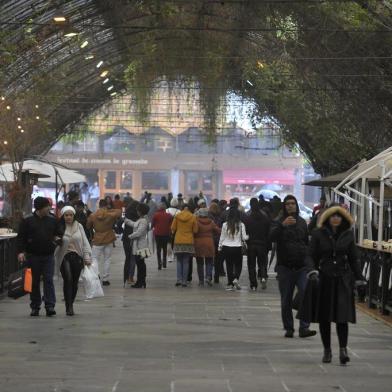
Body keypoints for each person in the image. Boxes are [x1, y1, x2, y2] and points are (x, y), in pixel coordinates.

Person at [300, 206, 365, 365]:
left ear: (343, 219)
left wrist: (359, 278)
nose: (336, 219)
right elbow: (310, 255)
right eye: (333, 216)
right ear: (328, 218)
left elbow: (353, 258)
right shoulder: (318, 234)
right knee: (325, 317)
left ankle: (343, 350)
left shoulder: (348, 235)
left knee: (342, 317)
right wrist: (312, 271)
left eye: (339, 216)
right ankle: (327, 350)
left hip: (343, 279)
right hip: (324, 279)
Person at [269, 194, 317, 338]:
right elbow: (270, 237)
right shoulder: (277, 221)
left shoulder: (302, 222)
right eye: (288, 204)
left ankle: (304, 327)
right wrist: (282, 226)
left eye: (293, 203)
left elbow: (306, 243)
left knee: (304, 294)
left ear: (296, 205)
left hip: (301, 266)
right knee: (286, 300)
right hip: (285, 267)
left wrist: (310, 264)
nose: (290, 206)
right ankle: (289, 328)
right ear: (284, 206)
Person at [16, 197, 63, 317]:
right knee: (34, 282)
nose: (49, 208)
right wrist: (20, 252)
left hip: (48, 255)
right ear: (40, 208)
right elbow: (21, 237)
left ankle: (50, 305)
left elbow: (58, 232)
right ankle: (35, 306)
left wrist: (57, 238)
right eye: (47, 206)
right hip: (33, 256)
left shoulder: (52, 219)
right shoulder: (27, 220)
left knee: (48, 280)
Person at [54, 206, 92, 316]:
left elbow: (85, 242)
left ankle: (71, 303)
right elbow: (52, 238)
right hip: (63, 256)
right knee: (68, 279)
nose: (69, 217)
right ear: (63, 216)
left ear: (73, 216)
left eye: (71, 215)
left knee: (75, 282)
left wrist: (87, 257)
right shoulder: (59, 227)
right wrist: (56, 239)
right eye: (66, 215)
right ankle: (68, 306)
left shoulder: (79, 226)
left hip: (77, 256)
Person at [86, 199, 122, 286]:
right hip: (109, 238)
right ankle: (105, 279)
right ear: (107, 205)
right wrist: (108, 210)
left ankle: (96, 275)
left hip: (97, 238)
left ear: (99, 205)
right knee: (107, 259)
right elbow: (119, 212)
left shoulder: (93, 215)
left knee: (94, 258)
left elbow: (87, 225)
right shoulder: (111, 214)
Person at [218, 206, 248, 291]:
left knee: (229, 265)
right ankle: (236, 278)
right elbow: (244, 237)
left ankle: (230, 283)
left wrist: (219, 246)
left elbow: (222, 237)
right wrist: (248, 237)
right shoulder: (241, 224)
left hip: (226, 247)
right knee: (238, 265)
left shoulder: (225, 224)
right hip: (237, 247)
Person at [246, 198, 271, 291]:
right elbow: (268, 232)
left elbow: (246, 232)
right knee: (262, 263)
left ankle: (253, 285)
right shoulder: (265, 217)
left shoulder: (248, 217)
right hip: (262, 244)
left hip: (251, 245)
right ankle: (263, 277)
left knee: (251, 265)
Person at [171, 204, 198, 287]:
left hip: (178, 240)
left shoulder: (177, 216)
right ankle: (184, 281)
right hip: (188, 241)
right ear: (189, 209)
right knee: (186, 261)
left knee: (179, 261)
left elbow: (172, 228)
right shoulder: (193, 217)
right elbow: (195, 230)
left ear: (181, 209)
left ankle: (178, 279)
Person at [124, 203, 150, 288]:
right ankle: (141, 281)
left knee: (140, 265)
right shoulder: (142, 219)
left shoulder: (143, 220)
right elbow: (135, 224)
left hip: (140, 246)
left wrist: (130, 236)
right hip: (139, 245)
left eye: (138, 210)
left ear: (140, 211)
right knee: (140, 264)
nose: (137, 211)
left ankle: (140, 282)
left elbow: (139, 232)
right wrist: (126, 221)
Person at [194, 208, 220, 286]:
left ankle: (201, 280)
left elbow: (194, 231)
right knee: (209, 261)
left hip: (199, 243)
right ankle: (208, 277)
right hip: (209, 243)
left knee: (199, 263)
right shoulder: (211, 222)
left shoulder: (196, 221)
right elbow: (218, 231)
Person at [151, 203, 173, 269]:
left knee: (158, 249)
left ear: (159, 208)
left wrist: (155, 227)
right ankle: (164, 263)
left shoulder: (155, 215)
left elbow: (152, 224)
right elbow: (171, 225)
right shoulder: (169, 215)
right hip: (166, 234)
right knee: (165, 248)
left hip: (157, 234)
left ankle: (159, 264)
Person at [122, 200, 139, 284]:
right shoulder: (138, 216)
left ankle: (125, 277)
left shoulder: (126, 214)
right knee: (133, 258)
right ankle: (130, 277)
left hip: (125, 238)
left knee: (127, 258)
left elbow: (119, 224)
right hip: (134, 238)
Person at [209, 202, 225, 283]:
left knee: (210, 259)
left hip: (211, 239)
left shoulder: (209, 217)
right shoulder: (221, 216)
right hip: (219, 240)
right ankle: (216, 276)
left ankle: (209, 276)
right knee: (218, 260)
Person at [166, 198, 180, 263]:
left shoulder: (167, 210)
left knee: (168, 243)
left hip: (168, 228)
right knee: (175, 242)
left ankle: (169, 257)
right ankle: (174, 255)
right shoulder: (179, 211)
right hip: (176, 229)